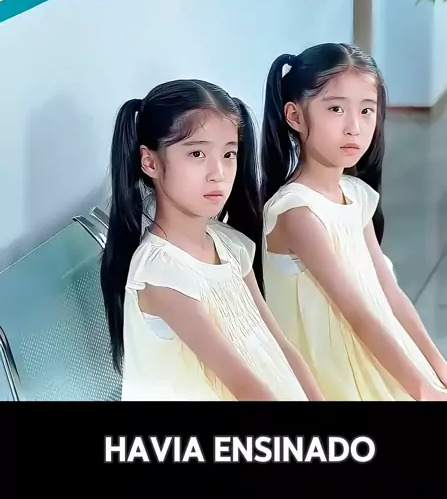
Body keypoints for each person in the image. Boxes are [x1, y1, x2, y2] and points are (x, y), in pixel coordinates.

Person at [260, 42, 447, 402]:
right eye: (335, 109)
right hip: (332, 375)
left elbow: (390, 295)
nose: (354, 128)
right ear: (294, 116)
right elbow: (356, 313)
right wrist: (423, 391)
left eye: (367, 110)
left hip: (377, 356)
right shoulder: (297, 211)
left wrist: (441, 372)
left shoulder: (355, 194)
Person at [100, 78, 324, 401]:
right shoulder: (160, 273)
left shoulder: (229, 244)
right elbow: (243, 384)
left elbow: (280, 345)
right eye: (196, 153)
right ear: (150, 162)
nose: (218, 172)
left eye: (229, 153)